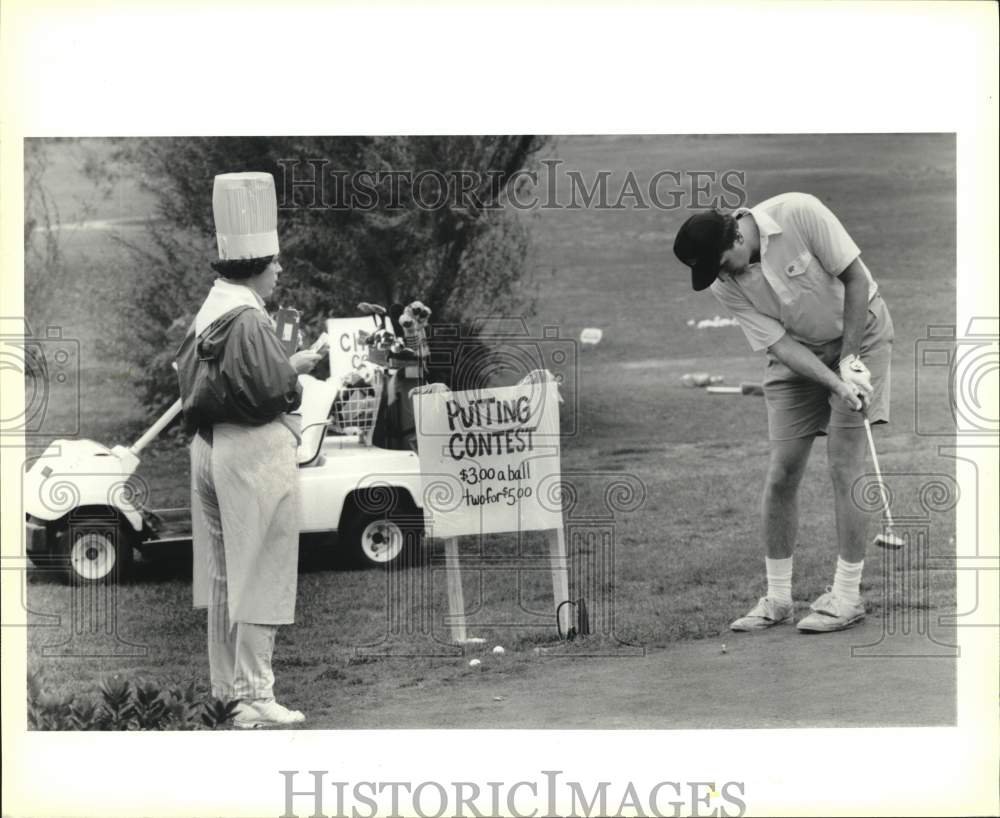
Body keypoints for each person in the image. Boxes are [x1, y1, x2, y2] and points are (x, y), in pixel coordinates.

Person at [673, 192, 894, 633]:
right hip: (796, 352)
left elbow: (854, 279)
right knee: (782, 472)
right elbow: (779, 344)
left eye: (719, 263)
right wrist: (833, 382)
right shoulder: (724, 284)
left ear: (736, 234)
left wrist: (849, 363)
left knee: (843, 463)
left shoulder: (799, 213)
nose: (719, 276)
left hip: (859, 332)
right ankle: (777, 600)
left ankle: (847, 597)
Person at [178, 172, 321, 727]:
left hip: (208, 448)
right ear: (257, 265)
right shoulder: (250, 318)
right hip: (252, 452)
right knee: (259, 569)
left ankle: (226, 692)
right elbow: (272, 391)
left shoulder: (212, 307)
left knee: (222, 576)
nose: (280, 269)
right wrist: (299, 367)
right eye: (275, 262)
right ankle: (255, 695)